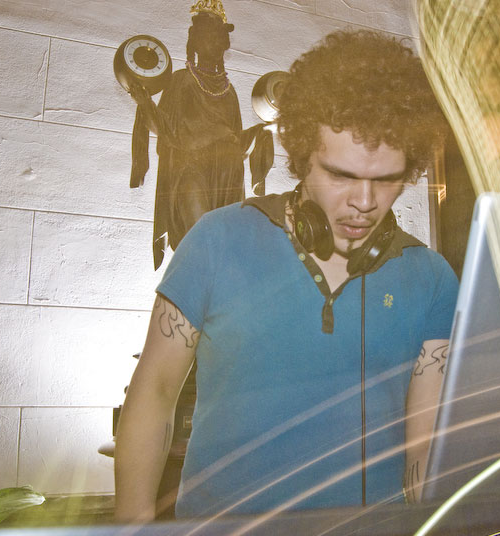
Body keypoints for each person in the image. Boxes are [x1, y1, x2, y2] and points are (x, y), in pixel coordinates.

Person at [114, 29, 458, 522]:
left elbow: (424, 446)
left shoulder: (432, 279)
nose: (364, 203)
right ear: (301, 156)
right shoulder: (217, 239)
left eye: (386, 180)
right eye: (340, 175)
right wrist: (133, 527)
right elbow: (155, 391)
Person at [130, 1, 244, 270]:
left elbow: (238, 143)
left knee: (221, 246)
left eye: (217, 38)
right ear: (195, 42)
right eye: (206, 36)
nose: (213, 43)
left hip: (225, 177)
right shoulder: (181, 81)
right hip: (190, 171)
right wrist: (145, 103)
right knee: (201, 240)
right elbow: (165, 129)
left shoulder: (229, 92)